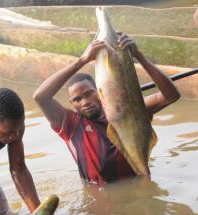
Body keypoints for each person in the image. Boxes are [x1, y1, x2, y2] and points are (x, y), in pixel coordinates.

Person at [33, 34, 180, 184]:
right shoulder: (70, 124)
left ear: (100, 92)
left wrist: (139, 56)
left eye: (89, 94)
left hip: (139, 185)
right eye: (77, 99)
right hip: (97, 195)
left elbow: (171, 96)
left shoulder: (129, 109)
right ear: (72, 104)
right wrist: (82, 60)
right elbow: (40, 97)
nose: (85, 102)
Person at [0, 88, 40, 215]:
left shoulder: (14, 126)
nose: (16, 136)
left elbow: (18, 169)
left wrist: (39, 214)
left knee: (4, 214)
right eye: (7, 133)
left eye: (19, 129)